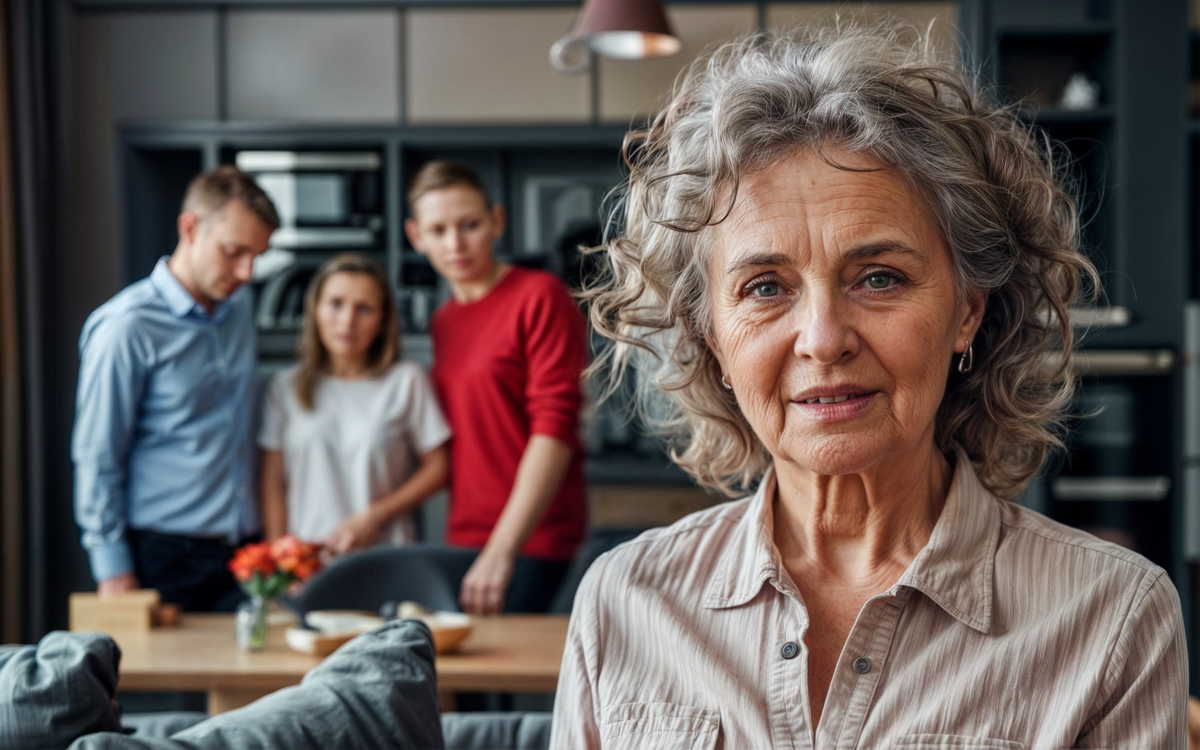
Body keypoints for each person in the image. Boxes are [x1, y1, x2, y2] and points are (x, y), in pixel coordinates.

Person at [551, 25, 1187, 749]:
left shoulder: (1112, 619)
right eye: (765, 287)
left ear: (967, 310)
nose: (824, 338)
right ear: (711, 340)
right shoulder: (622, 603)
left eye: (879, 277)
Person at [72, 166, 279, 612]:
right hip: (163, 558)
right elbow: (98, 453)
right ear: (190, 228)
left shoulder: (237, 305)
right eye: (234, 252)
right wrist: (113, 569)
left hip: (243, 556)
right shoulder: (126, 327)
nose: (246, 272)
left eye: (257, 257)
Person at [404, 161, 588, 615]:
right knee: (463, 681)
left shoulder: (539, 296)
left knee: (502, 672)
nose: (455, 244)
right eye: (438, 229)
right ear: (416, 237)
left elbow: (556, 427)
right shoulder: (444, 320)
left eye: (469, 225)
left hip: (532, 536)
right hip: (464, 532)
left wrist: (502, 549)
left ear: (496, 221)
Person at [258, 253, 450, 553]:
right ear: (315, 310)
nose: (347, 321)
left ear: (383, 320)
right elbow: (273, 482)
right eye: (336, 304)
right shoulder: (285, 387)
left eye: (364, 309)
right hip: (307, 562)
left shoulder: (405, 382)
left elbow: (438, 468)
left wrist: (376, 515)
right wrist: (279, 557)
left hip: (385, 555)